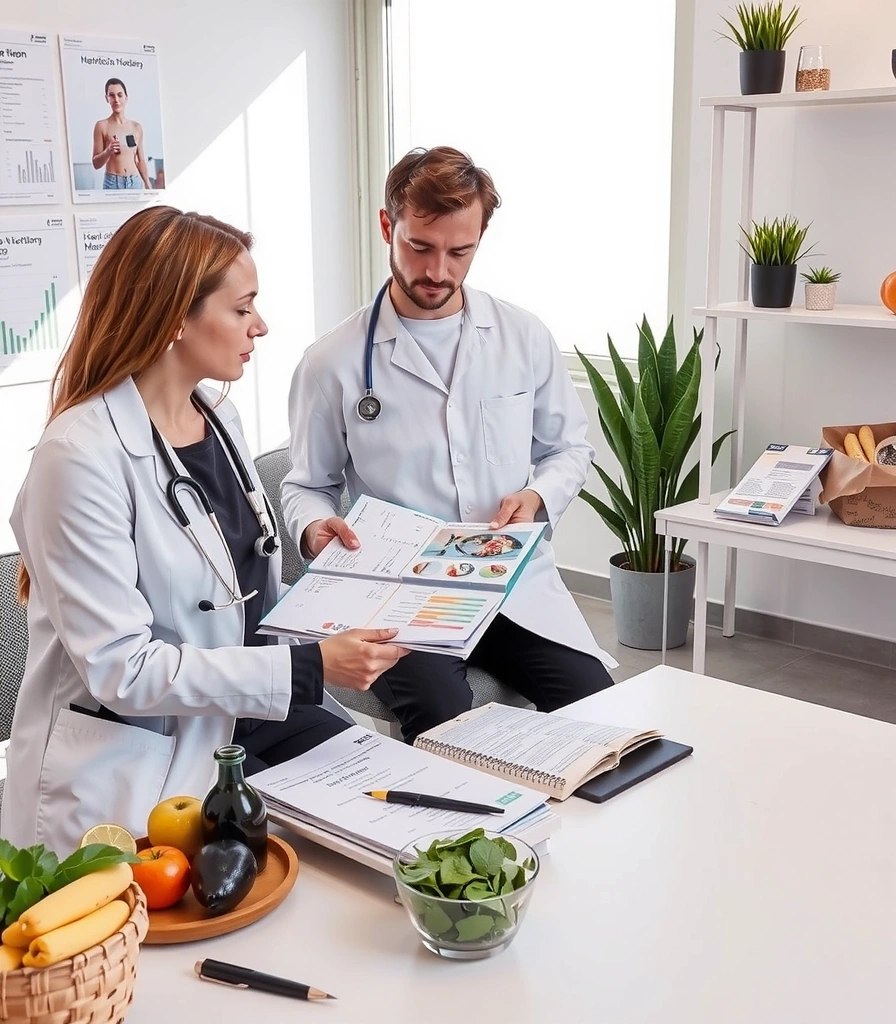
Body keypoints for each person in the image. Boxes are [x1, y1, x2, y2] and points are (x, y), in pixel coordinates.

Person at [3, 206, 407, 853]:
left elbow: (238, 592)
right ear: (174, 320)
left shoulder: (217, 417)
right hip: (138, 753)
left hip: (246, 713)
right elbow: (124, 671)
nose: (262, 326)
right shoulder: (78, 458)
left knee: (404, 821)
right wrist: (307, 668)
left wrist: (344, 599)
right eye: (242, 308)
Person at [282, 146, 617, 744]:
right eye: (420, 246)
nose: (437, 270)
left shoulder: (523, 336)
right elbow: (307, 484)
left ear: (481, 237)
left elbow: (569, 448)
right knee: (446, 725)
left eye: (459, 252)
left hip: (509, 581)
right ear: (389, 226)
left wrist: (537, 497)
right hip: (399, 598)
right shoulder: (330, 362)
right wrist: (314, 528)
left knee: (600, 715)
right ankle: (453, 837)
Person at [91, 78, 151, 190]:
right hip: (112, 183)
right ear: (107, 99)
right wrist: (108, 151)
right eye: (112, 96)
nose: (116, 100)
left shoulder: (136, 127)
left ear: (126, 98)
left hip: (135, 182)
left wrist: (147, 184)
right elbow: (96, 164)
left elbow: (140, 160)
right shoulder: (101, 126)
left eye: (119, 95)